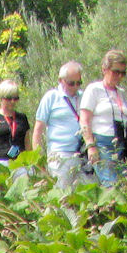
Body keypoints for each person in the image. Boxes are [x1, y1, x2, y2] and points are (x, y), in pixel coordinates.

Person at [80, 50, 127, 187]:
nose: (119, 76)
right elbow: (84, 120)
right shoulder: (94, 90)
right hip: (102, 142)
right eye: (116, 72)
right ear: (104, 69)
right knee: (110, 184)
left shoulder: (121, 93)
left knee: (123, 184)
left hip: (120, 142)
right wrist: (90, 146)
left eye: (123, 73)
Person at [32, 62, 86, 191]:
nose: (75, 87)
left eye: (78, 83)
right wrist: (38, 159)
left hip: (82, 154)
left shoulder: (83, 96)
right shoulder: (51, 97)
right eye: (71, 83)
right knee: (62, 194)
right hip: (60, 155)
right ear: (61, 80)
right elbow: (38, 130)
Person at [0, 80, 30, 166]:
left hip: (20, 162)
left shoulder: (22, 118)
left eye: (15, 98)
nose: (12, 101)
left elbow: (27, 143)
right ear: (1, 98)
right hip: (0, 162)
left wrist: (30, 163)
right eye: (9, 98)